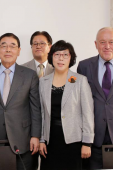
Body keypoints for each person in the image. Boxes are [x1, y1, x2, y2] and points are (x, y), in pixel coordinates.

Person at [0, 33, 42, 170]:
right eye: (4, 46)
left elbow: (35, 108)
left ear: (19, 51)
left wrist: (36, 135)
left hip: (23, 139)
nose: (8, 50)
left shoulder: (29, 75)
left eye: (12, 46)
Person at [77, 27, 113, 169]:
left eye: (111, 42)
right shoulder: (84, 66)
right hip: (94, 136)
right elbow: (81, 101)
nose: (107, 46)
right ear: (96, 44)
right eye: (102, 42)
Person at [39, 40, 94, 170]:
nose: (61, 58)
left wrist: (87, 142)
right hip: (50, 141)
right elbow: (41, 113)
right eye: (57, 54)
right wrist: (41, 139)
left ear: (71, 58)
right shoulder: (43, 81)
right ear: (51, 57)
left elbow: (87, 112)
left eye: (65, 55)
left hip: (74, 141)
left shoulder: (80, 80)